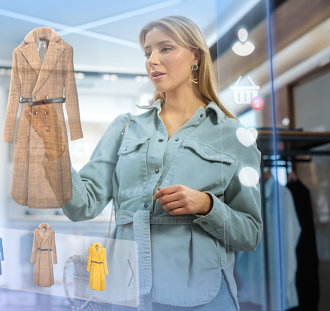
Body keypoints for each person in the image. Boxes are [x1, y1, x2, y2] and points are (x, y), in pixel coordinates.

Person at [62, 16, 262, 310]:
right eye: (147, 53)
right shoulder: (125, 127)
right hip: (125, 293)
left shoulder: (233, 136)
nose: (152, 60)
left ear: (196, 56)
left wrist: (207, 205)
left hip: (202, 297)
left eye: (165, 48)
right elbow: (83, 205)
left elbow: (250, 234)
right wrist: (53, 151)